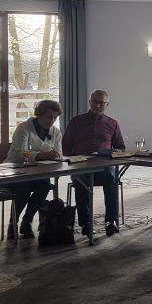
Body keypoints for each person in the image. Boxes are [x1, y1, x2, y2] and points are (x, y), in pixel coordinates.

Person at [62, 89, 125, 237]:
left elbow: (121, 148)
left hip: (104, 166)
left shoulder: (112, 123)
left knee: (111, 178)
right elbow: (65, 146)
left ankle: (111, 221)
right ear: (89, 102)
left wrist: (116, 152)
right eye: (95, 102)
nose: (98, 105)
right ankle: (86, 223)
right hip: (81, 165)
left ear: (107, 104)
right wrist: (74, 160)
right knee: (81, 180)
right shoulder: (76, 121)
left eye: (101, 103)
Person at [4, 99, 63, 238]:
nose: (52, 121)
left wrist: (55, 156)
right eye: (49, 117)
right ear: (39, 115)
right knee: (22, 189)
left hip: (38, 171)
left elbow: (59, 154)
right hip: (13, 170)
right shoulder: (24, 128)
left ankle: (27, 221)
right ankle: (13, 223)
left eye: (55, 118)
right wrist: (41, 155)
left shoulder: (56, 132)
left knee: (45, 186)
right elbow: (21, 152)